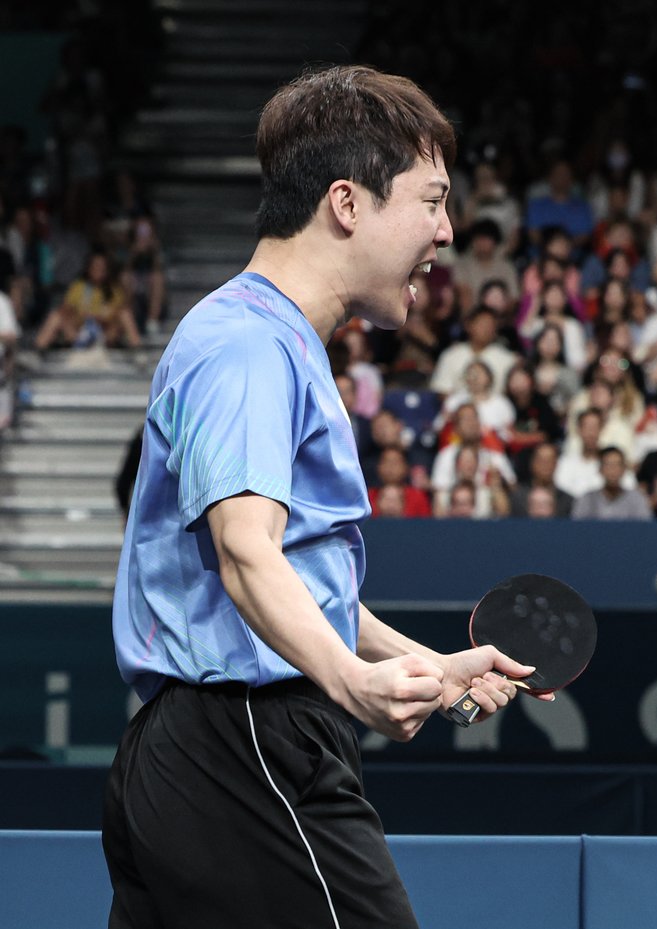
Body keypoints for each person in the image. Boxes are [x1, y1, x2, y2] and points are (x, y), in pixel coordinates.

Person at [103, 66, 541, 929]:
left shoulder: (275, 344)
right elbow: (245, 551)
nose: (448, 232)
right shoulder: (246, 346)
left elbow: (294, 570)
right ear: (348, 203)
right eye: (432, 200)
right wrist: (349, 680)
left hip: (207, 752)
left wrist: (415, 663)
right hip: (250, 746)